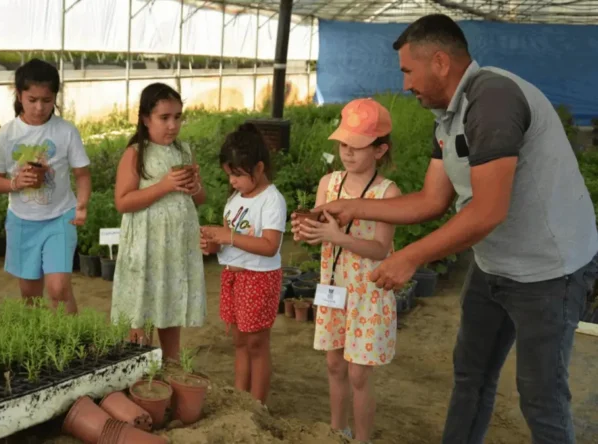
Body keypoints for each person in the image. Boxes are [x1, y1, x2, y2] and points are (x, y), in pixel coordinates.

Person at [293, 14, 598, 444]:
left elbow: (488, 211)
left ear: (439, 62)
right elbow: (431, 201)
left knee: (540, 396)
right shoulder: (447, 117)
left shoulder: (492, 100)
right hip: (495, 263)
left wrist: (410, 256)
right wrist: (349, 205)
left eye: (407, 71)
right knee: (471, 376)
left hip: (549, 271)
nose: (404, 85)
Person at [296, 98, 400, 442]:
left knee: (358, 373)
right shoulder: (330, 183)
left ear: (380, 149)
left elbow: (381, 249)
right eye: (343, 144)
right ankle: (336, 430)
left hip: (368, 292)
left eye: (357, 146)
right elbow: (319, 231)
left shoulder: (388, 193)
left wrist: (337, 236)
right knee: (334, 364)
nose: (347, 152)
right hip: (334, 287)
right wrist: (308, 231)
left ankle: (362, 438)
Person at [0, 58, 91, 314]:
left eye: (47, 99)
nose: (40, 107)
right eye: (32, 100)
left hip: (60, 218)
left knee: (59, 290)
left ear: (55, 96)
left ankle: (73, 345)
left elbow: (83, 174)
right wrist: (15, 182)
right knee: (30, 296)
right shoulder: (7, 134)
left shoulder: (66, 131)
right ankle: (42, 347)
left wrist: (82, 206)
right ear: (19, 95)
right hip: (22, 221)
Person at [111, 83, 206, 362]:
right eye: (164, 118)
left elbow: (200, 199)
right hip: (146, 245)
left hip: (177, 244)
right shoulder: (136, 153)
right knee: (142, 303)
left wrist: (194, 186)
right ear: (145, 118)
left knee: (170, 302)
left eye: (178, 116)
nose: (173, 125)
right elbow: (123, 202)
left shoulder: (184, 151)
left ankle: (171, 367)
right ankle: (139, 369)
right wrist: (165, 185)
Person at [199, 123, 286, 405]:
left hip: (259, 278)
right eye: (229, 175)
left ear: (259, 169)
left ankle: (257, 405)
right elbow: (228, 241)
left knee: (256, 344)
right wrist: (213, 244)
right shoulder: (235, 199)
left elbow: (270, 246)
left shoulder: (272, 201)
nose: (232, 182)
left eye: (237, 174)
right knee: (239, 341)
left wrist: (230, 236)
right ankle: (240, 400)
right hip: (233, 277)